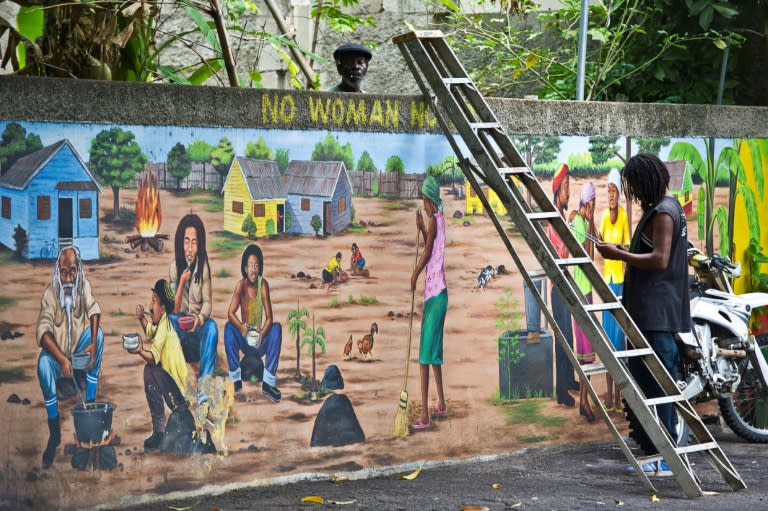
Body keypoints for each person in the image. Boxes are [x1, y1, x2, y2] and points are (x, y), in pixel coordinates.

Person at [596, 153, 690, 477]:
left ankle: (665, 459)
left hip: (655, 316)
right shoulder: (667, 207)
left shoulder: (663, 213)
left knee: (657, 388)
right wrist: (624, 248)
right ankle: (654, 453)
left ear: (648, 181)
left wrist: (619, 254)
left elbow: (660, 259)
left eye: (635, 186)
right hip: (648, 313)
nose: (632, 193)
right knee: (644, 385)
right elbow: (651, 250)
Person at [36, 246, 104, 468]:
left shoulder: (82, 285)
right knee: (43, 364)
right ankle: (54, 432)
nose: (68, 278)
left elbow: (94, 310)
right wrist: (61, 359)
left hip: (78, 357)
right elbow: (44, 332)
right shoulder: (50, 294)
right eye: (64, 272)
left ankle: (90, 406)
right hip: (59, 361)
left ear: (78, 270)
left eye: (72, 271)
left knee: (100, 336)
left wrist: (92, 343)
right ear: (58, 271)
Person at [131, 280, 191, 451]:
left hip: (179, 394)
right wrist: (142, 318)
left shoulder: (165, 325)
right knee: (151, 371)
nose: (151, 306)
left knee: (151, 371)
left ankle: (159, 432)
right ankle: (159, 431)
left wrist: (140, 351)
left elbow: (153, 357)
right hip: (175, 388)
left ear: (163, 307)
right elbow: (150, 332)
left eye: (154, 301)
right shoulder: (163, 323)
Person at [410, 175, 448, 430]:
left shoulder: (435, 220)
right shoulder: (438, 221)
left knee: (424, 357)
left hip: (434, 295)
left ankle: (424, 414)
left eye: (425, 200)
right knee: (433, 354)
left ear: (431, 200)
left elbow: (426, 253)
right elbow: (431, 245)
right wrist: (422, 228)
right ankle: (441, 403)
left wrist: (414, 274)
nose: (423, 205)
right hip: (440, 293)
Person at [169, 213, 219, 404]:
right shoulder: (174, 267)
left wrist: (198, 320)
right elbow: (174, 309)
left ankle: (204, 390)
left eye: (194, 243)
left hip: (197, 330)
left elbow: (207, 304)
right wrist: (182, 282)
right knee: (169, 323)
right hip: (181, 331)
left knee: (212, 327)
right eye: (186, 242)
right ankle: (179, 385)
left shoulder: (204, 267)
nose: (190, 248)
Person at [224, 244, 283, 402]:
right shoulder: (240, 286)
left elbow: (269, 317)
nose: (253, 269)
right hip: (245, 338)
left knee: (276, 328)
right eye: (251, 265)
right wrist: (241, 327)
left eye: (256, 266)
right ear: (244, 268)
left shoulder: (263, 285)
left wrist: (262, 334)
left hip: (260, 340)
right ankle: (235, 380)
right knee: (229, 328)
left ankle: (268, 383)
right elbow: (230, 313)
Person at [598, 169, 630, 414]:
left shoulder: (623, 218)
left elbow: (627, 248)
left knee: (619, 340)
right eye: (608, 191)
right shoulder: (601, 218)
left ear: (618, 194)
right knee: (608, 340)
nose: (611, 195)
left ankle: (620, 397)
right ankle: (609, 397)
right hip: (607, 282)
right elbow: (600, 245)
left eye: (614, 191)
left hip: (619, 281)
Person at [549, 163, 578, 407]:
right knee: (562, 339)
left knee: (568, 334)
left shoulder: (558, 216)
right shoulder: (554, 221)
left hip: (564, 283)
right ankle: (561, 391)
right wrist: (568, 229)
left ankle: (568, 380)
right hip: (557, 286)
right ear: (558, 190)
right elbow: (562, 255)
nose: (569, 192)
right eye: (567, 186)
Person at [569, 182, 597, 422]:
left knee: (587, 351)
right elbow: (580, 254)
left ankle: (584, 400)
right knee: (585, 351)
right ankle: (584, 401)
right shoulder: (578, 222)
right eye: (591, 204)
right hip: (580, 290)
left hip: (585, 290)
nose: (592, 209)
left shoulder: (585, 223)